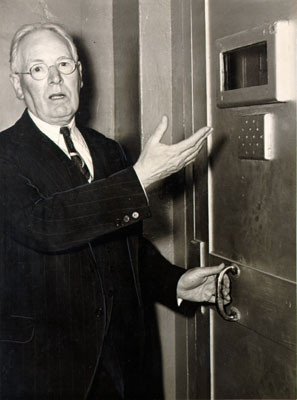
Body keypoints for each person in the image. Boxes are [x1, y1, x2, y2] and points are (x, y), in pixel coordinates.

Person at [0, 22, 229, 399]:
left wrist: (172, 281)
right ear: (17, 84)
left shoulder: (108, 150)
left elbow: (124, 249)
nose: (55, 79)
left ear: (80, 75)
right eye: (38, 69)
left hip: (122, 366)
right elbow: (45, 225)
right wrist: (138, 179)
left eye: (64, 65)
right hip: (47, 372)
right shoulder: (6, 156)